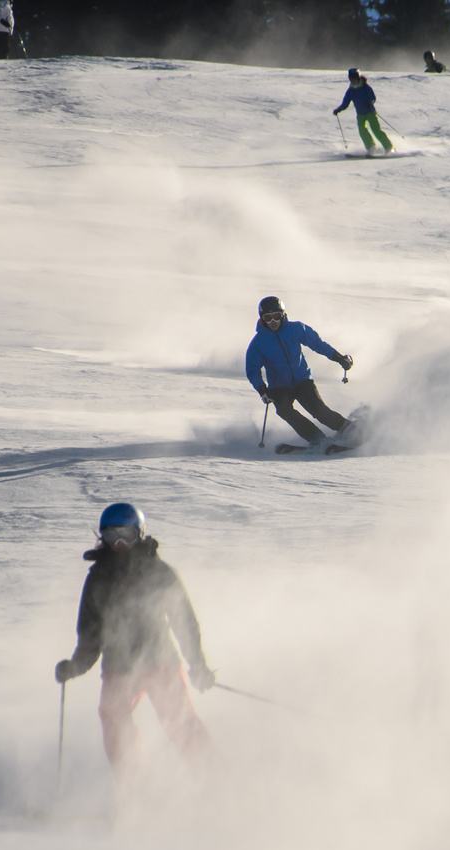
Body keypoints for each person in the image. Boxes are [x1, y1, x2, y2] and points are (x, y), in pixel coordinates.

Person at [54, 503, 215, 780]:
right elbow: (90, 636)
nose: (118, 543)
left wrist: (197, 665)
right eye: (111, 535)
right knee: (112, 720)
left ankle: (217, 780)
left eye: (125, 535)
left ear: (139, 534)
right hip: (118, 667)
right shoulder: (97, 579)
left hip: (160, 661)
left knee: (179, 722)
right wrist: (75, 666)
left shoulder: (158, 572)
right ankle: (137, 789)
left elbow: (184, 622)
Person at [245, 296, 356, 448]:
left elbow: (317, 344)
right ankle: (317, 439)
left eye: (276, 317)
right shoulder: (258, 343)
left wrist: (338, 358)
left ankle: (349, 429)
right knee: (284, 410)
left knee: (318, 410)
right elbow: (252, 371)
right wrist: (261, 389)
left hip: (302, 380)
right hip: (279, 386)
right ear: (262, 319)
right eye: (268, 318)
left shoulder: (295, 329)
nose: (273, 322)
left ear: (283, 315)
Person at [333, 68, 393, 155]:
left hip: (370, 113)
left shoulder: (365, 87)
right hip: (360, 115)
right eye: (351, 79)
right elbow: (345, 103)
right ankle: (371, 147)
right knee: (362, 131)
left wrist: (370, 102)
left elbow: (372, 97)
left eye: (354, 79)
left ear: (358, 78)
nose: (353, 81)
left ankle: (388, 147)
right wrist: (339, 109)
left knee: (376, 130)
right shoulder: (350, 91)